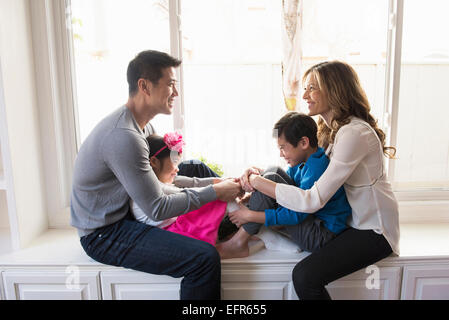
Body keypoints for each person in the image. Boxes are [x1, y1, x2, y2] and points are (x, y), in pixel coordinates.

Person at [70, 50, 243, 300]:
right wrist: (214, 191)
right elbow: (157, 208)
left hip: (125, 209)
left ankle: (236, 205)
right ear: (145, 86)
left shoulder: (142, 126)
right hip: (104, 233)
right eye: (170, 84)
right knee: (204, 259)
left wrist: (216, 183)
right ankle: (232, 213)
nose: (176, 92)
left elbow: (159, 179)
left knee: (193, 166)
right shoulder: (124, 137)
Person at [239, 61, 399, 300]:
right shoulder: (333, 131)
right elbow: (301, 175)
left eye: (312, 88)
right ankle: (239, 238)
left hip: (374, 232)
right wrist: (261, 175)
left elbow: (312, 199)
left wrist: (258, 182)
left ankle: (239, 239)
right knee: (272, 173)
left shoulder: (354, 133)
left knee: (304, 276)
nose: (304, 95)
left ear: (334, 90)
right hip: (352, 223)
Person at [217, 112, 352, 259]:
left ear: (303, 143)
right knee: (272, 172)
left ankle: (238, 242)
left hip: (320, 235)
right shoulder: (306, 161)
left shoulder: (317, 168)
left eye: (283, 148)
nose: (281, 154)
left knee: (269, 180)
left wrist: (251, 215)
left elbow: (297, 213)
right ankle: (238, 229)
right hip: (311, 221)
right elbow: (283, 184)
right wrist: (255, 178)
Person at [131, 132, 239, 245]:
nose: (178, 169)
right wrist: (221, 188)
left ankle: (240, 216)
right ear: (154, 162)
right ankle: (242, 225)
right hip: (174, 230)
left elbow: (193, 182)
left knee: (201, 175)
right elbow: (191, 194)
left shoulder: (158, 179)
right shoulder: (156, 188)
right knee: (215, 199)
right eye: (174, 162)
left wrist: (222, 182)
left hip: (176, 222)